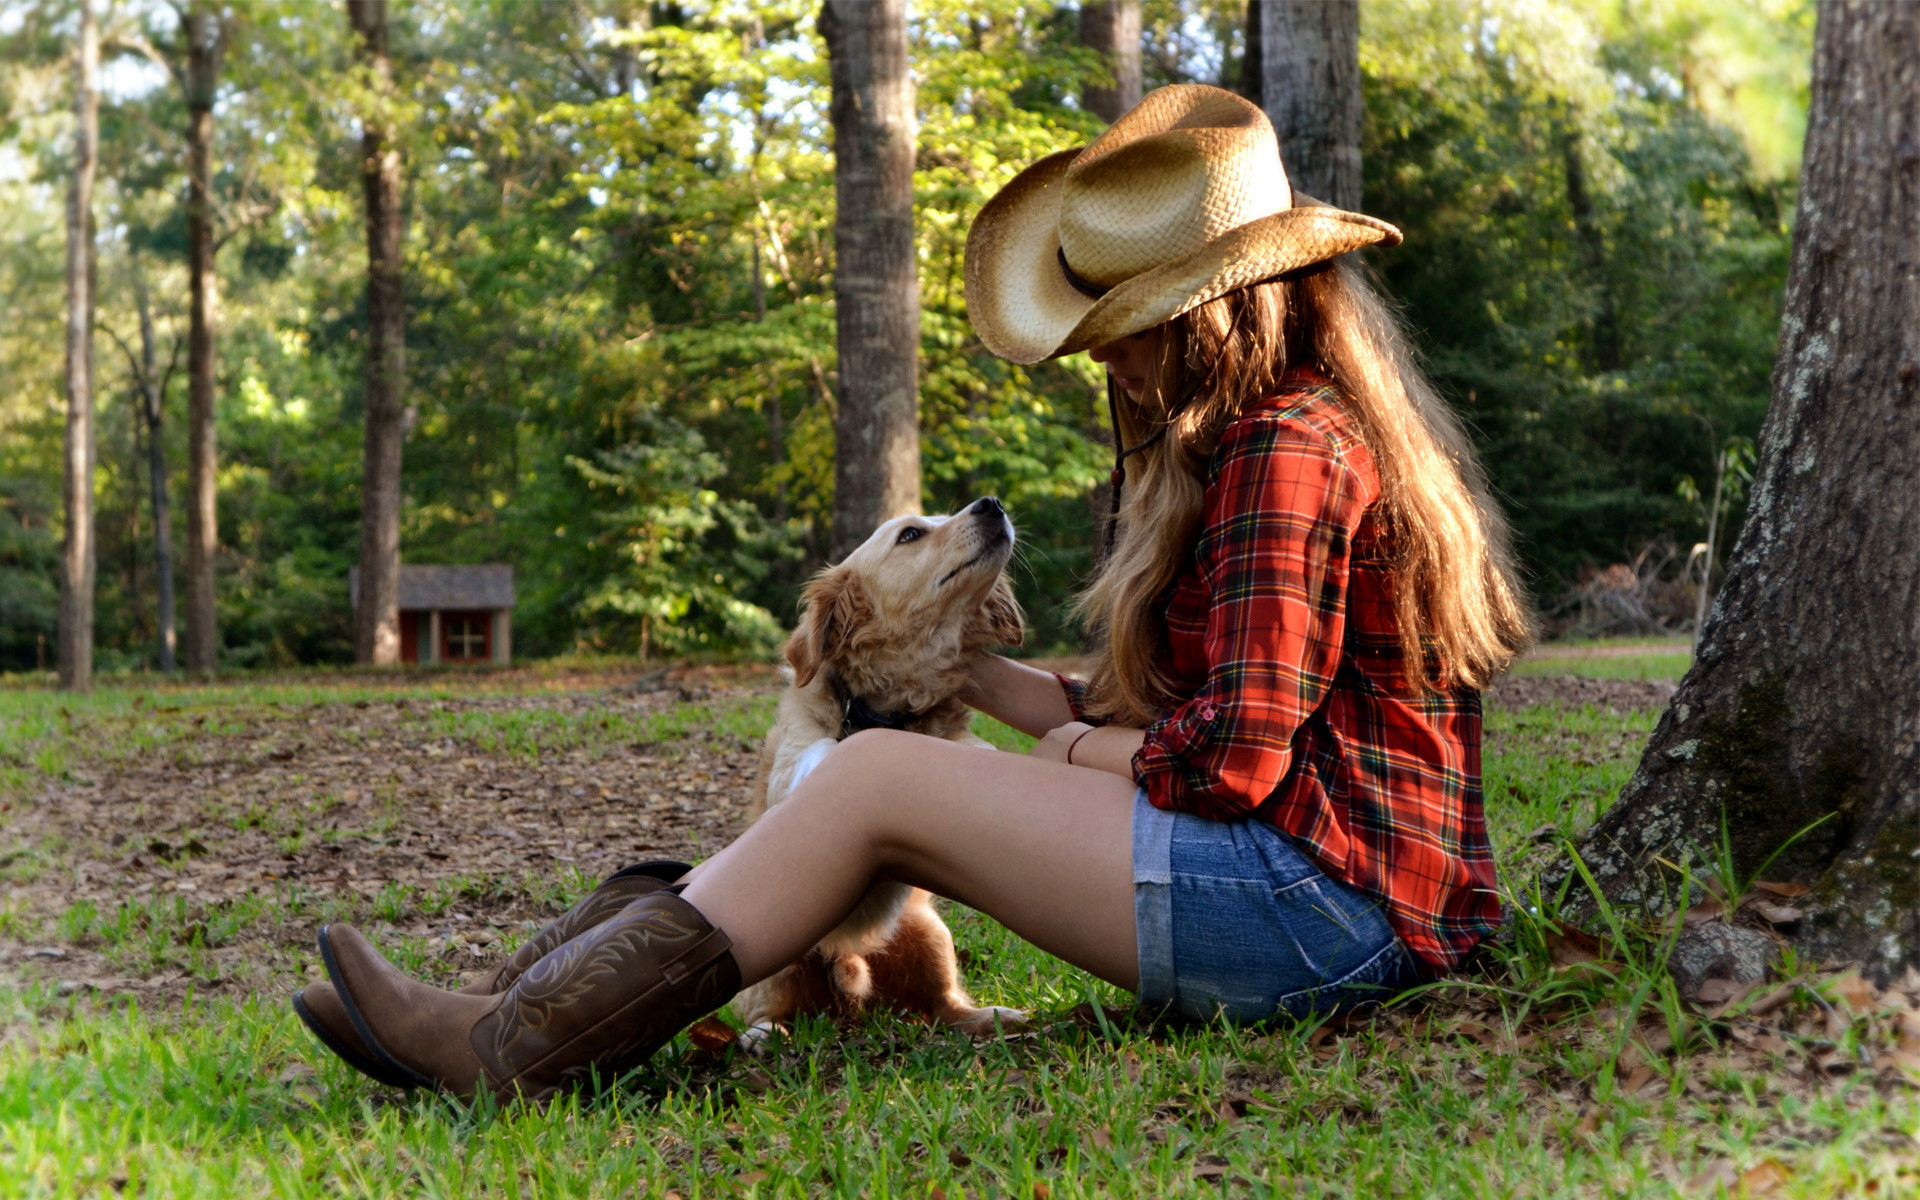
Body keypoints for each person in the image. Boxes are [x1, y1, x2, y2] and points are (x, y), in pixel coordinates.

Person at [292, 84, 1532, 1105]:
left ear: (1203, 319)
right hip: (1341, 904)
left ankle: (506, 1050)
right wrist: (995, 686)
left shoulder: (1285, 453)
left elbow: (1233, 762)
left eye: (1121, 330)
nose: (1106, 360)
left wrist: (1074, 756)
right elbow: (1202, 715)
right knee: (881, 778)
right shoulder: (1295, 435)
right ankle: (507, 1012)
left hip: (1328, 918)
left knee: (878, 779)